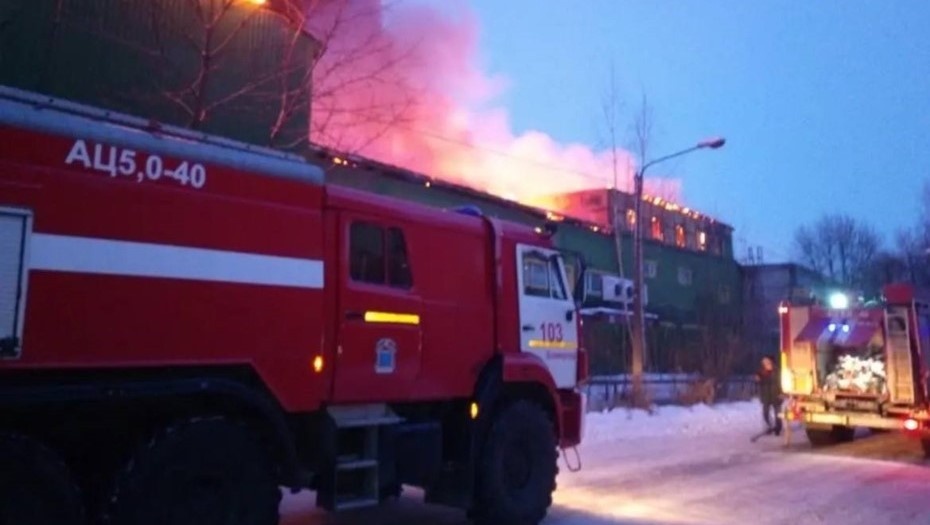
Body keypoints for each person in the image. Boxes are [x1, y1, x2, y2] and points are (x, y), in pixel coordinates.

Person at [755, 355, 783, 436]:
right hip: (766, 396)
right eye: (763, 362)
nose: (765, 363)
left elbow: (782, 382)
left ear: (771, 362)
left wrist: (782, 393)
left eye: (766, 361)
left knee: (778, 414)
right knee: (765, 413)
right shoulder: (761, 372)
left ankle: (778, 428)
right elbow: (758, 383)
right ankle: (770, 426)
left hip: (776, 396)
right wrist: (758, 380)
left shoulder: (777, 371)